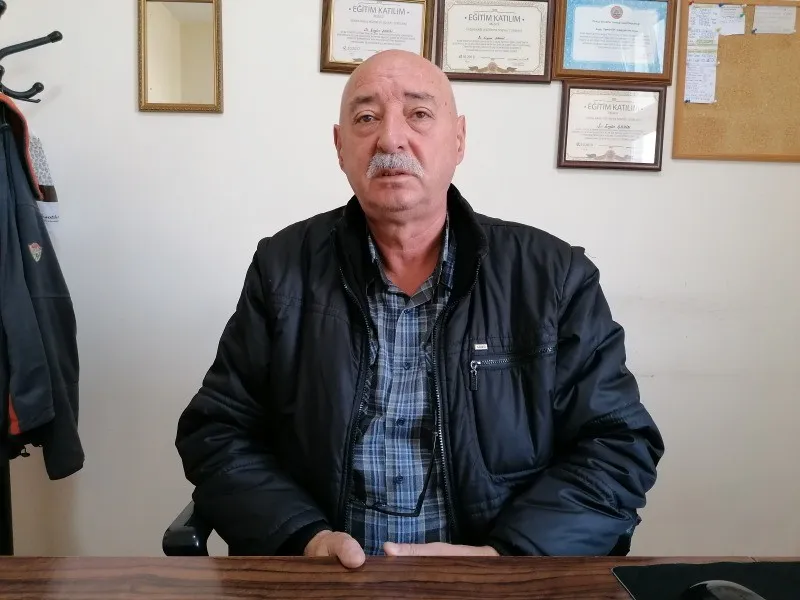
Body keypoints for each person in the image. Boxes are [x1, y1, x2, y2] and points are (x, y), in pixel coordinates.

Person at [174, 49, 664, 568]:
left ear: (459, 139)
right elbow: (217, 431)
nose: (390, 138)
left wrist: (506, 556)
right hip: (324, 575)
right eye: (367, 117)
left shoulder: (552, 277)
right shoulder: (282, 269)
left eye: (419, 114)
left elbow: (618, 444)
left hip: (494, 579)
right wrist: (304, 538)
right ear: (340, 146)